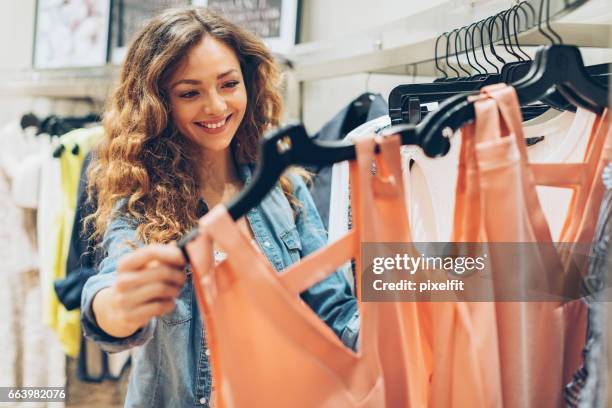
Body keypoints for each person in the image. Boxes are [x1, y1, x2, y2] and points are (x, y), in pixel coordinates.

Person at [80, 7, 360, 408]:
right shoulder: (142, 206)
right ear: (157, 104)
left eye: (228, 84)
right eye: (190, 93)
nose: (215, 106)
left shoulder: (285, 189)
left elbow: (333, 308)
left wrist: (411, 336)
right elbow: (109, 296)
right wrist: (119, 305)